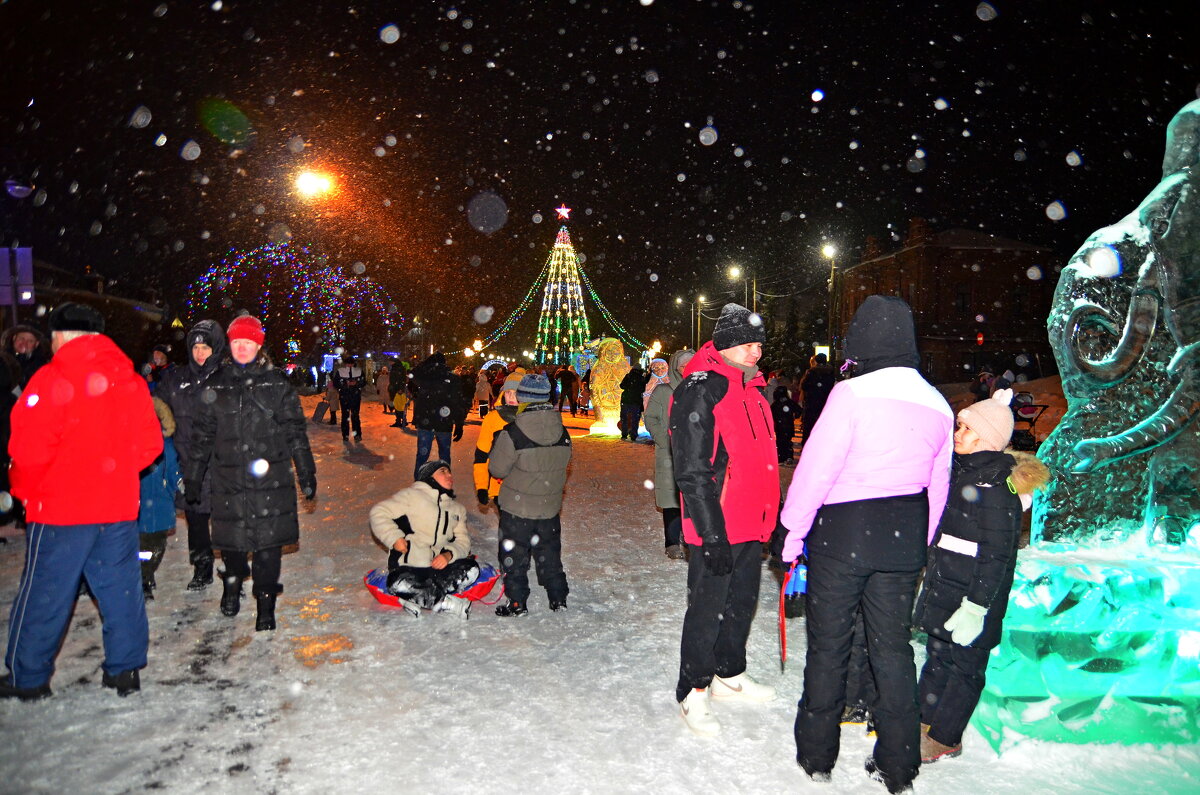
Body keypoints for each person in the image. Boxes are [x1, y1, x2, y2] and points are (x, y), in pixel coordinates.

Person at [780, 295, 953, 794]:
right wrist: (917, 544)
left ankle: (817, 754)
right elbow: (939, 487)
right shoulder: (937, 402)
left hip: (843, 534)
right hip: (903, 538)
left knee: (830, 646)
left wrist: (791, 532)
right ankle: (898, 764)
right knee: (893, 650)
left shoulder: (850, 394)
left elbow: (817, 469)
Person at [1, 302, 163, 700]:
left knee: (45, 594)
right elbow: (150, 444)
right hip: (117, 509)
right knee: (120, 591)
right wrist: (113, 474)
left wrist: (23, 492)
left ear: (60, 336)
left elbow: (28, 449)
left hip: (60, 511)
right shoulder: (129, 380)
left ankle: (28, 678)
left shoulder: (50, 378)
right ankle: (125, 671)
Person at [913, 389, 1048, 763]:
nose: (958, 433)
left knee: (966, 667)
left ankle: (945, 737)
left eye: (967, 428)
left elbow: (997, 555)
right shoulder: (966, 473)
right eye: (959, 425)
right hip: (947, 587)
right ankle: (923, 720)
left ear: (988, 438)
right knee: (938, 657)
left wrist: (976, 607)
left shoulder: (995, 488)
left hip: (974, 597)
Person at [670, 303, 780, 738]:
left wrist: (776, 515)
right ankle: (693, 690)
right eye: (750, 344)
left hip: (750, 522)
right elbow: (693, 469)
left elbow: (763, 461)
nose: (757, 352)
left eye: (759, 345)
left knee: (741, 604)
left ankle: (728, 673)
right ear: (728, 344)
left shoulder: (751, 389)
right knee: (707, 609)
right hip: (716, 524)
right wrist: (710, 532)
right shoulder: (703, 388)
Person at [183, 315, 316, 632]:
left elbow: (296, 433)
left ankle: (265, 605)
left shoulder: (277, 385)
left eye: (248, 342)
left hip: (272, 481)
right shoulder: (215, 386)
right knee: (232, 545)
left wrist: (306, 473)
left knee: (269, 550)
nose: (242, 348)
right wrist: (193, 479)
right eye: (237, 342)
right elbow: (201, 437)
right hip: (229, 482)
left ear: (258, 345)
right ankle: (232, 585)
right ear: (230, 345)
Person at [488, 373, 572, 617]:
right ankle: (558, 598)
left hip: (517, 509)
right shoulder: (562, 431)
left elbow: (496, 469)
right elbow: (564, 461)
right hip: (549, 506)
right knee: (549, 554)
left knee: (514, 556)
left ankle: (517, 602)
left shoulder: (512, 432)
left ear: (523, 398)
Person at [158, 319, 227, 591]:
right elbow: (157, 409)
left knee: (228, 521)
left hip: (223, 464)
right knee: (196, 523)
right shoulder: (176, 380)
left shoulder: (228, 379)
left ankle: (232, 569)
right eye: (196, 346)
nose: (200, 352)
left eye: (206, 347)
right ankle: (202, 568)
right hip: (189, 465)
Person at [369, 460, 479, 618]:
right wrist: (394, 538)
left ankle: (415, 597)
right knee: (397, 582)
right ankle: (448, 603)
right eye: (443, 471)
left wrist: (448, 555)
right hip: (410, 567)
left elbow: (463, 541)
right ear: (429, 476)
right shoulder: (411, 496)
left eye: (449, 472)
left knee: (471, 568)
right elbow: (378, 513)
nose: (449, 475)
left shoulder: (457, 509)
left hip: (437, 569)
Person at [643, 349, 693, 560]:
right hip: (670, 454)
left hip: (696, 454)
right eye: (684, 365)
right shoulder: (664, 391)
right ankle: (672, 543)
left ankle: (691, 540)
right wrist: (664, 441)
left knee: (694, 498)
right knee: (672, 499)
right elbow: (650, 417)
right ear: (675, 368)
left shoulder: (702, 389)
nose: (689, 369)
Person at [137, 395, 180, 600]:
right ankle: (143, 578)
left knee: (157, 545)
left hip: (161, 503)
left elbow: (173, 468)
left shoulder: (166, 444)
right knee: (142, 547)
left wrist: (180, 483)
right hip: (139, 505)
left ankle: (148, 571)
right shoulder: (132, 444)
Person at [408, 353, 466, 479]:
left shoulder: (425, 377)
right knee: (444, 455)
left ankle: (419, 482)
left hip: (426, 421)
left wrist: (425, 363)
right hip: (444, 420)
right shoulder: (452, 378)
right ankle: (444, 482)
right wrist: (459, 423)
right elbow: (457, 402)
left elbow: (412, 373)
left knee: (422, 455)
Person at [474, 371, 523, 511]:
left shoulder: (530, 417)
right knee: (508, 524)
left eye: (517, 393)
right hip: (499, 485)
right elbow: (481, 456)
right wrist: (482, 487)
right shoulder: (492, 419)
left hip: (525, 485)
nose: (512, 397)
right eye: (508, 392)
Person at [799, 353, 835, 447]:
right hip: (825, 402)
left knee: (810, 425)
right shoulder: (830, 372)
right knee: (823, 424)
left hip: (812, 401)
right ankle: (822, 445)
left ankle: (808, 445)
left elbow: (804, 386)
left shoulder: (812, 372)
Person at [1, 324, 50, 391]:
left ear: (36, 344)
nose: (24, 343)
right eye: (21, 338)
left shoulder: (43, 367)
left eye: (30, 341)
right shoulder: (3, 361)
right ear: (14, 338)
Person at [333, 354, 365, 442]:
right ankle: (345, 435)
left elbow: (363, 382)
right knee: (345, 416)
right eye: (348, 364)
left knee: (355, 416)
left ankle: (357, 435)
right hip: (345, 396)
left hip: (355, 396)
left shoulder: (358, 371)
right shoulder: (340, 371)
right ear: (345, 364)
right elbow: (335, 383)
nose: (349, 365)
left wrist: (356, 384)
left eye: (351, 364)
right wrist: (344, 385)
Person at [771, 385, 801, 466]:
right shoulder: (789, 402)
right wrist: (795, 415)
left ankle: (782, 457)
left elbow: (770, 413)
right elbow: (799, 409)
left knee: (781, 442)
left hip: (780, 426)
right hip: (788, 425)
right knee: (787, 442)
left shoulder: (776, 404)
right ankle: (788, 457)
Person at [618, 364, 649, 440]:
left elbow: (622, 386)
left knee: (624, 417)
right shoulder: (641, 378)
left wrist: (629, 387)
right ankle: (633, 434)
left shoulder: (628, 376)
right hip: (636, 400)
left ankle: (624, 434)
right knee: (635, 418)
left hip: (626, 399)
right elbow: (643, 389)